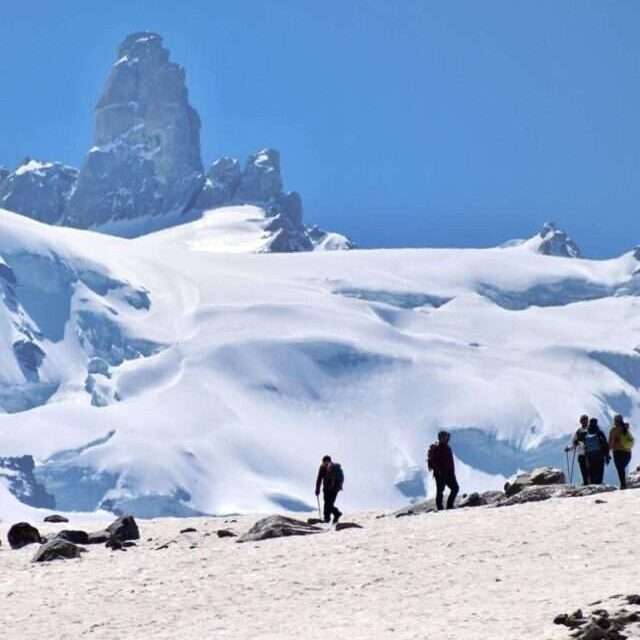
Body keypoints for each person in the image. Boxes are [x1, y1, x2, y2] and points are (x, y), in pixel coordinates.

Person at [427, 430, 459, 510]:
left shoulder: (446, 447)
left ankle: (449, 506)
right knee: (441, 491)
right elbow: (434, 461)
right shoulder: (439, 448)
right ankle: (441, 508)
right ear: (441, 438)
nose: (448, 438)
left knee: (455, 488)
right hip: (441, 474)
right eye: (446, 437)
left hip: (449, 473)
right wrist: (439, 471)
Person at [315, 455, 343, 524]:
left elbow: (319, 479)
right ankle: (334, 515)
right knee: (329, 503)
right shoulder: (335, 467)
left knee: (327, 504)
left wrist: (317, 489)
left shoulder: (323, 467)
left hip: (328, 488)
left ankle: (329, 517)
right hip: (335, 489)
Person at [608, 414, 634, 489]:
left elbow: (610, 442)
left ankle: (623, 484)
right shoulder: (625, 428)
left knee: (620, 468)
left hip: (617, 451)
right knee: (621, 467)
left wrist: (608, 450)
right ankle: (623, 484)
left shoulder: (613, 430)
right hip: (627, 451)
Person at [584, 417, 610, 484]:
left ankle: (592, 483)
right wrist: (607, 455)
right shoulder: (599, 432)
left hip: (590, 455)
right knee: (599, 469)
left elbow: (585, 446)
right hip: (599, 454)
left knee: (592, 469)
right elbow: (605, 444)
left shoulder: (587, 432)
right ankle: (599, 484)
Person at [565, 414, 590, 485]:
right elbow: (575, 443)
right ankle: (587, 482)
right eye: (584, 420)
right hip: (589, 453)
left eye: (585, 420)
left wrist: (569, 448)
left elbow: (574, 443)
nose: (584, 422)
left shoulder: (579, 431)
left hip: (583, 454)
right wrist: (570, 448)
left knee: (584, 470)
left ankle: (586, 483)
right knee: (586, 470)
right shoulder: (590, 429)